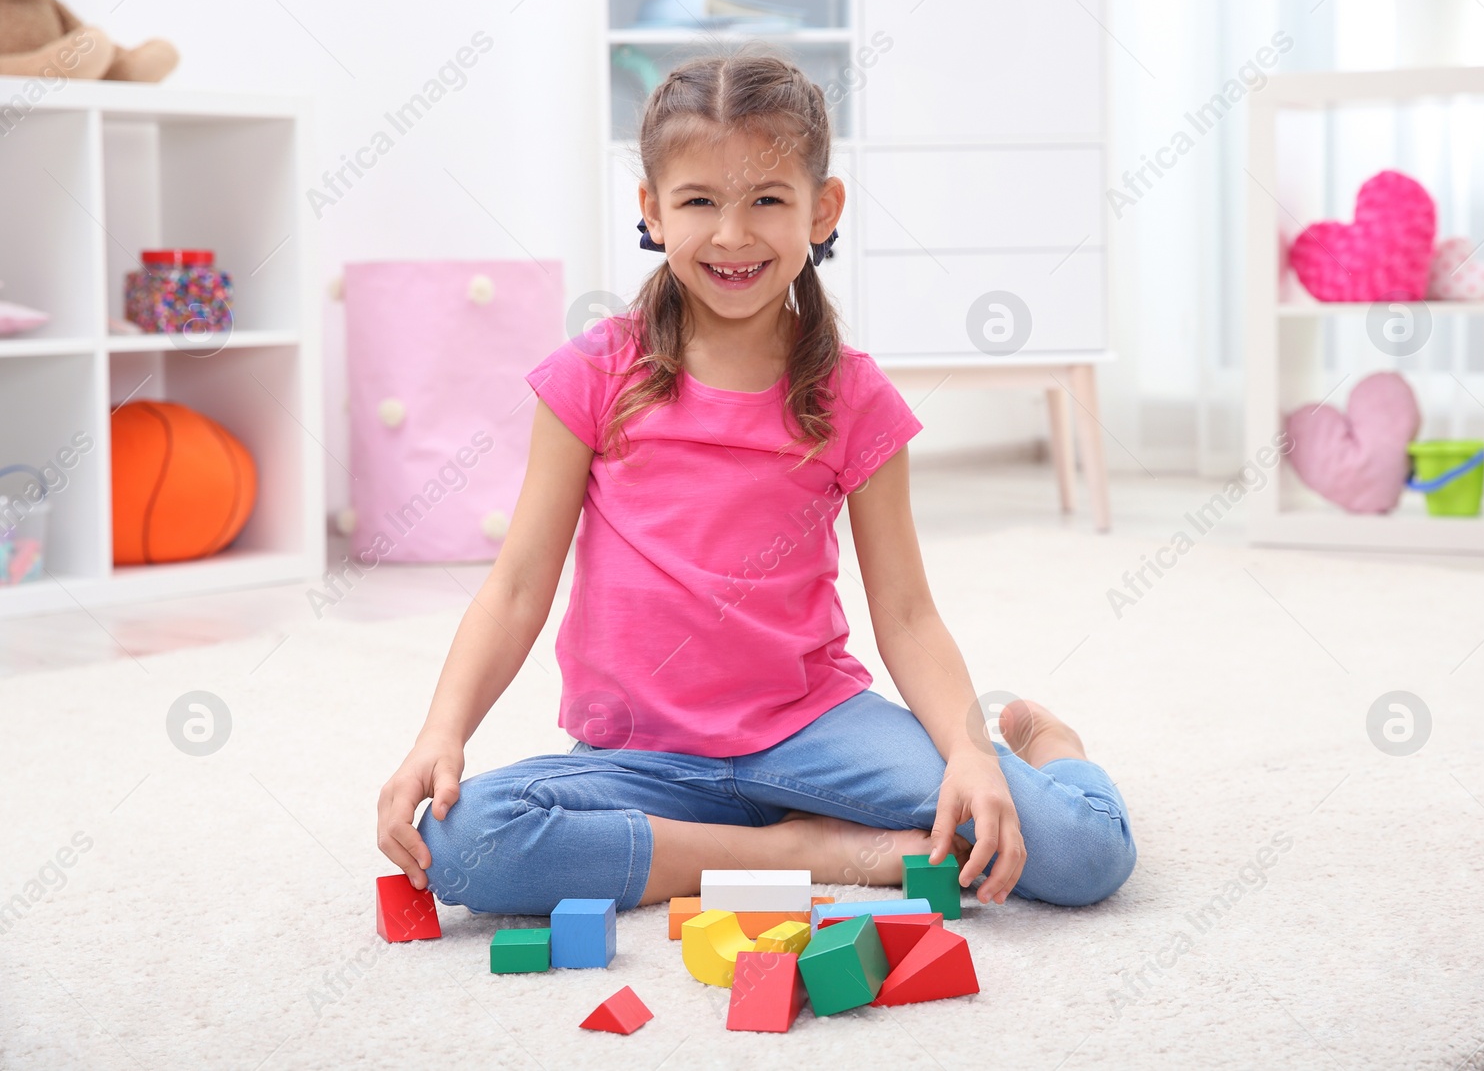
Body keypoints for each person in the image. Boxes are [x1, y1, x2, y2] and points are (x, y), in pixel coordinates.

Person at [376, 49, 1136, 917]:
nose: (732, 235)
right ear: (652, 211)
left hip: (815, 733)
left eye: (767, 200)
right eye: (699, 201)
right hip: (642, 756)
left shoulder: (856, 395)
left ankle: (1048, 746)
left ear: (823, 209)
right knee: (459, 844)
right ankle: (802, 851)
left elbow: (909, 614)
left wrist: (968, 753)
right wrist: (441, 734)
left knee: (1082, 854)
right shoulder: (591, 374)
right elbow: (516, 588)